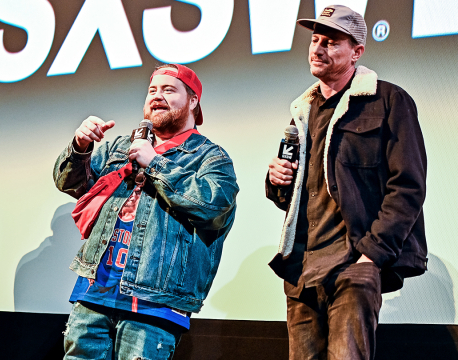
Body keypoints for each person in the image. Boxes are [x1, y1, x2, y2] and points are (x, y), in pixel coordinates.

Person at [265, 5, 427, 359]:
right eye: (315, 39)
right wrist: (277, 181)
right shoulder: (302, 110)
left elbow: (408, 186)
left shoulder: (388, 100)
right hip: (303, 272)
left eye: (331, 42)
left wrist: (371, 256)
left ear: (357, 52)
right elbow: (302, 194)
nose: (318, 48)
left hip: (353, 265)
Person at [54, 64, 239, 359]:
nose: (157, 96)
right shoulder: (119, 147)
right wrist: (80, 147)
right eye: (152, 90)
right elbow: (68, 183)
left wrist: (155, 164)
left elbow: (213, 207)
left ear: (193, 101)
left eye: (169, 90)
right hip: (95, 292)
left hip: (155, 301)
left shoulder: (210, 158)